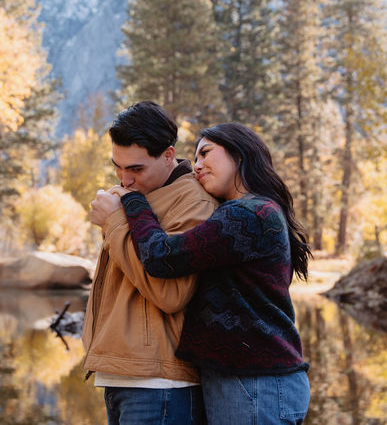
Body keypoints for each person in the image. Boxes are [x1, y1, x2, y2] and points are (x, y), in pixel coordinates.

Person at [90, 122, 312, 425]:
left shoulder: (248, 215)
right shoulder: (246, 211)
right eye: (194, 159)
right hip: (244, 377)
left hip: (256, 380)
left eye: (205, 153)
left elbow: (162, 256)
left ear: (240, 153)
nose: (197, 166)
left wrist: (130, 202)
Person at [82, 101, 218, 424]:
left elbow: (170, 294)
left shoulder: (193, 203)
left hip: (161, 384)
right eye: (118, 166)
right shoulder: (137, 197)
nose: (124, 179)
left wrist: (114, 224)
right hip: (123, 375)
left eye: (136, 169)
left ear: (169, 156)